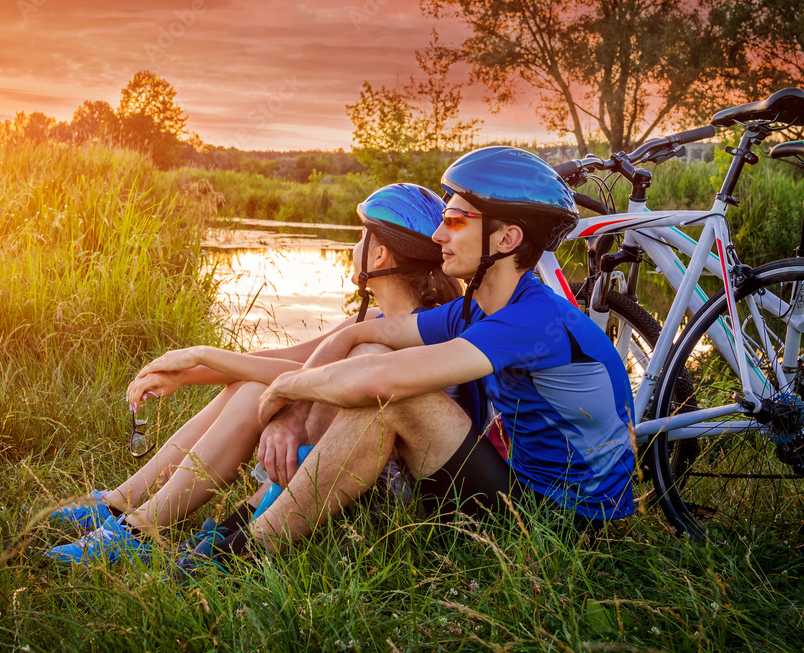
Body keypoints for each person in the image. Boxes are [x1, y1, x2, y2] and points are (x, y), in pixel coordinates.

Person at [181, 147, 637, 568]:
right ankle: (236, 533)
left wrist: (286, 387)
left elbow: (381, 380)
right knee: (378, 381)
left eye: (456, 221)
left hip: (568, 528)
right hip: (524, 493)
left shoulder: (533, 320)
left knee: (399, 398)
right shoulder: (474, 309)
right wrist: (297, 409)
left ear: (506, 239)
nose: (438, 233)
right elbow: (369, 330)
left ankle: (236, 555)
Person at [43, 183, 468, 564]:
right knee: (251, 385)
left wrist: (201, 353)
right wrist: (186, 372)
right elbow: (290, 357)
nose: (356, 244)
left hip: (374, 485)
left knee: (255, 389)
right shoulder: (374, 316)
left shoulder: (418, 331)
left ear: (379, 254)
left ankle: (137, 529)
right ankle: (121, 505)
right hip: (334, 467)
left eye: (362, 235)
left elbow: (301, 374)